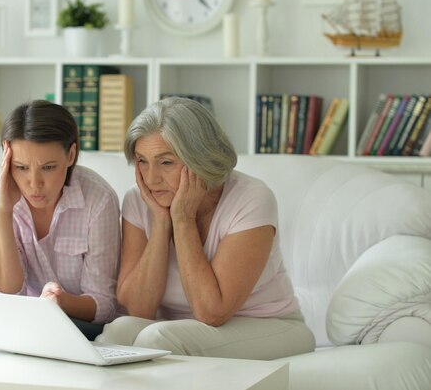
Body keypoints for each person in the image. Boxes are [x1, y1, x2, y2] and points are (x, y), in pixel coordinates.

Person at [95, 97, 315, 359]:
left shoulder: (252, 198)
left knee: (158, 338)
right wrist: (162, 222)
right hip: (182, 330)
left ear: (199, 159)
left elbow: (211, 312)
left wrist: (183, 218)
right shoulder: (140, 200)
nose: (151, 178)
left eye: (166, 162)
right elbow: (138, 309)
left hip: (271, 326)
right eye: (142, 161)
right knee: (118, 331)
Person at [0, 100, 121, 340]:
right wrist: (3, 212)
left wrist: (59, 302)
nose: (34, 184)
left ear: (71, 155)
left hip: (81, 329)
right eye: (21, 167)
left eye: (48, 167)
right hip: (20, 327)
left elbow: (104, 305)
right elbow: (5, 294)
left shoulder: (98, 200)